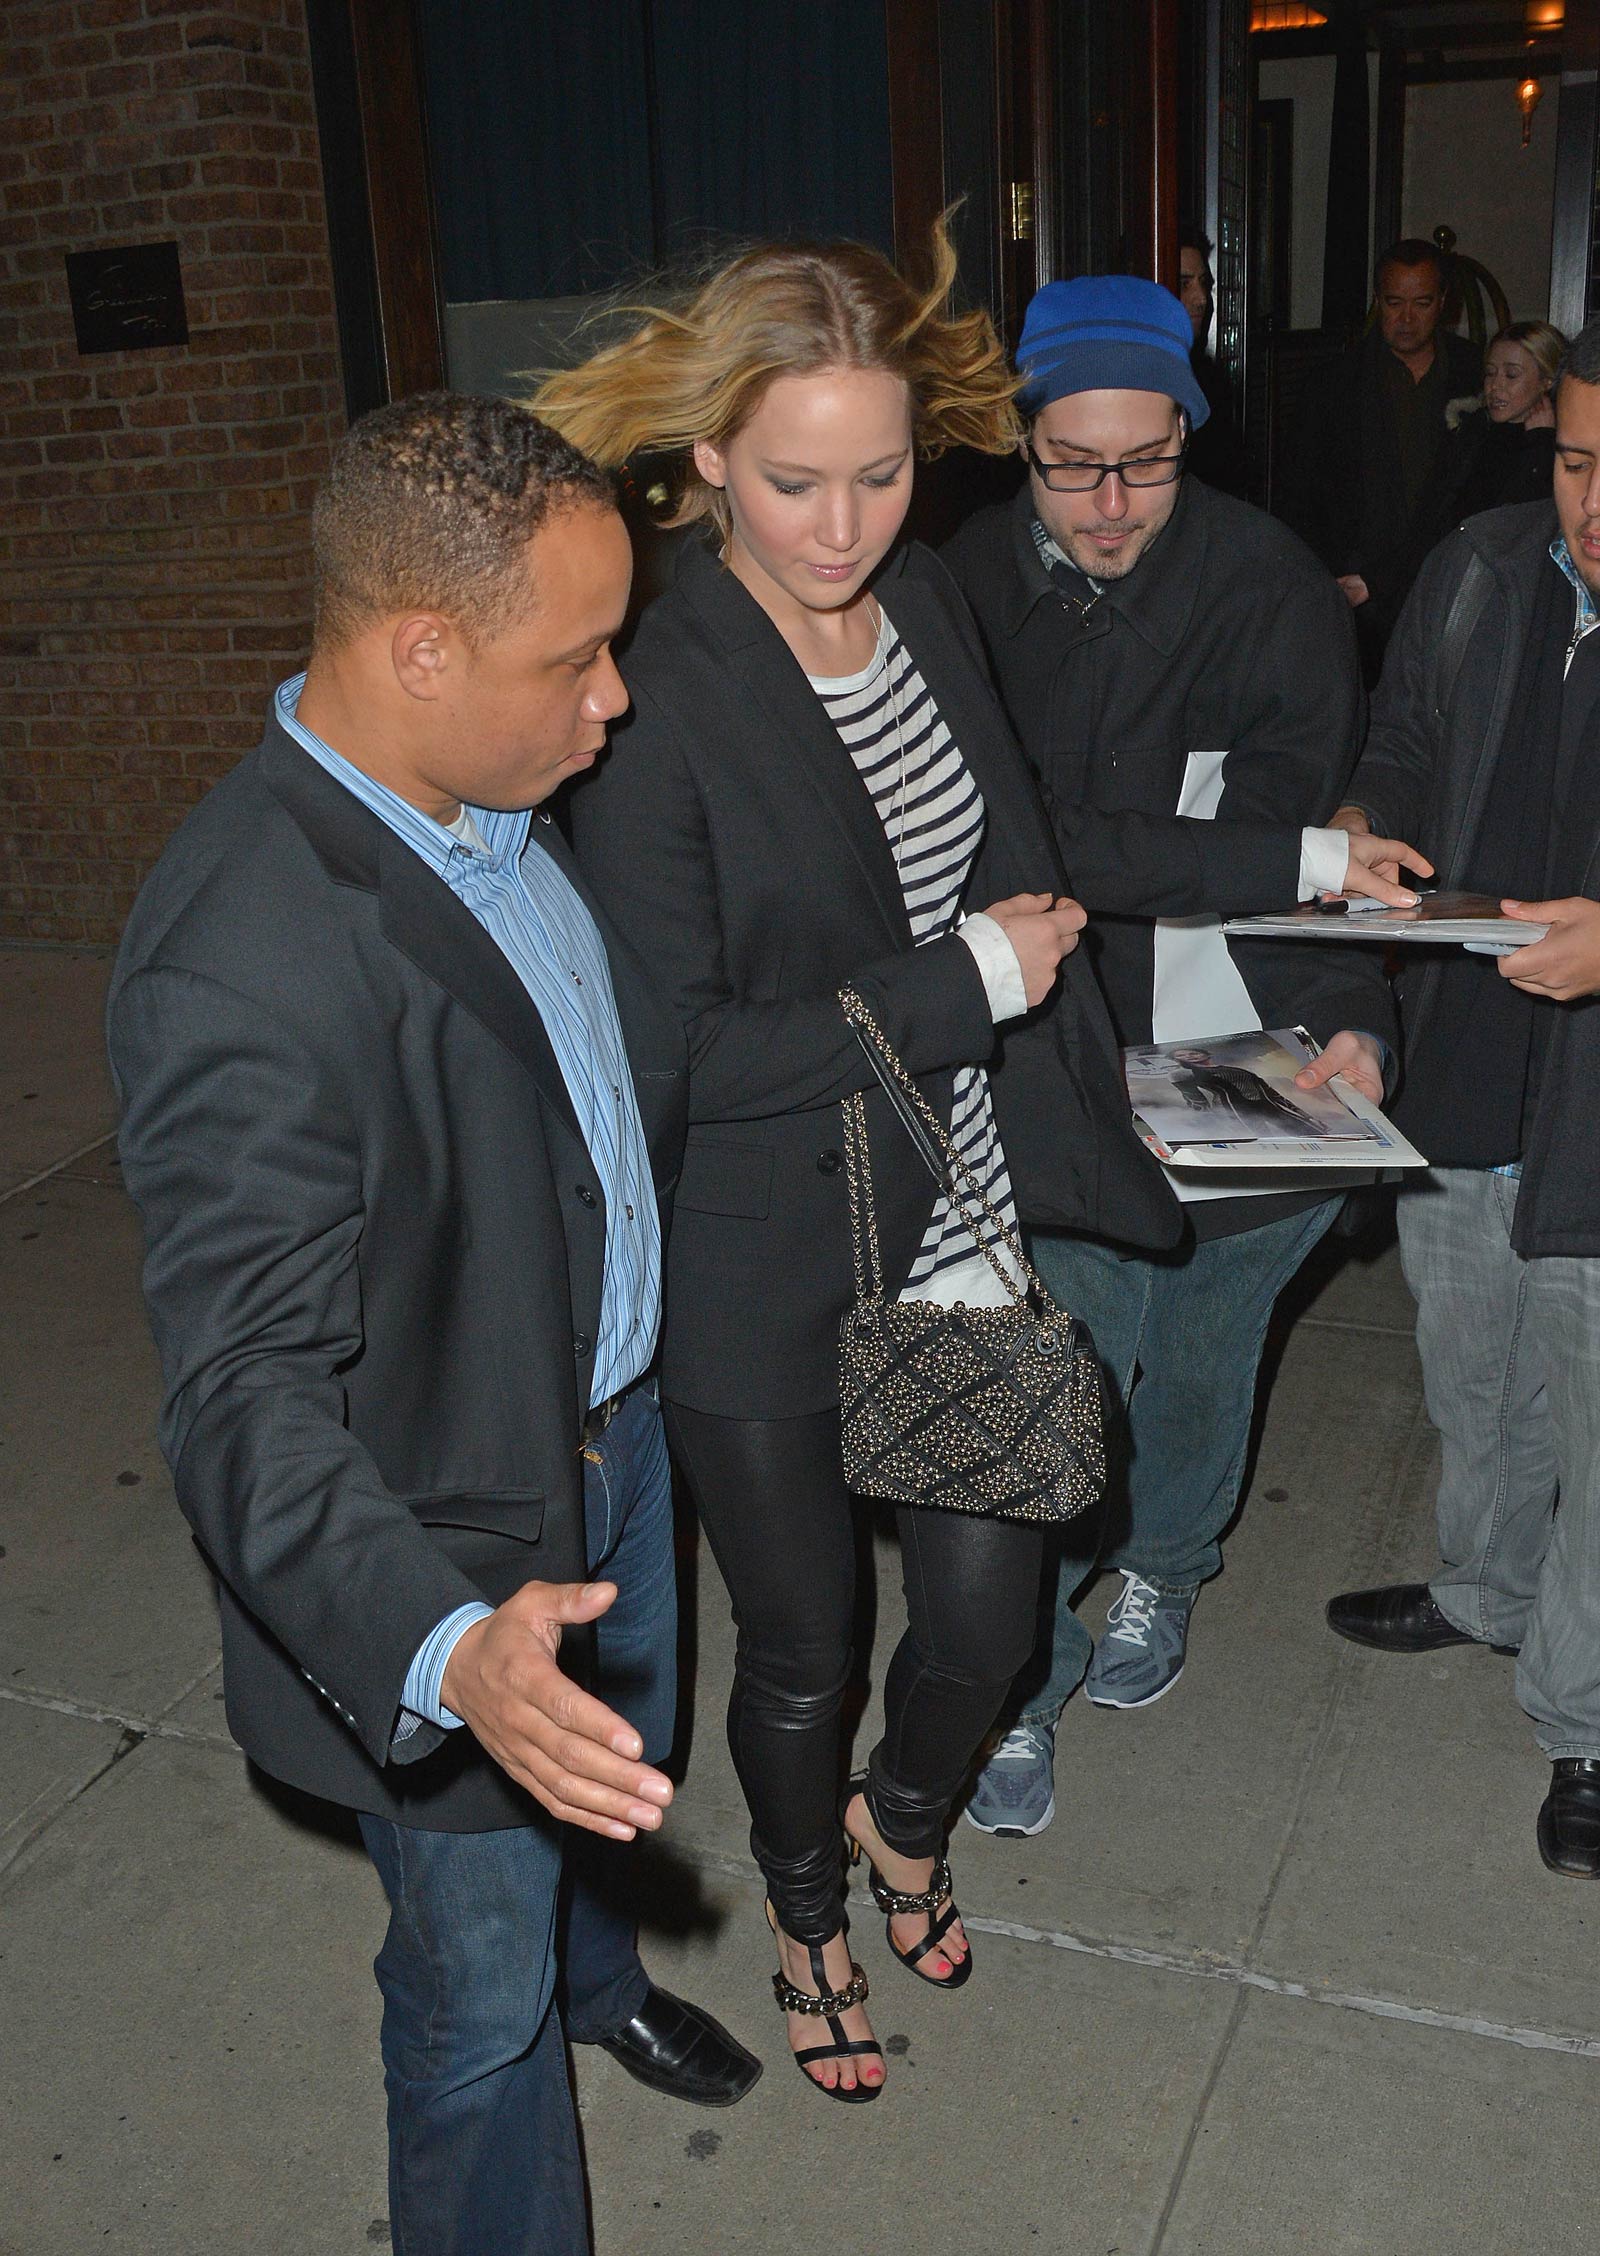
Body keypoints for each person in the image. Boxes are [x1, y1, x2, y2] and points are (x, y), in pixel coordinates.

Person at [532, 222, 1186, 2099]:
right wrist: (962, 977)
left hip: (956, 1200)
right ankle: (813, 1911)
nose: (843, 526)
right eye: (797, 479)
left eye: (883, 473)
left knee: (987, 1618)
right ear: (708, 459)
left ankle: (910, 1822)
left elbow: (1033, 843)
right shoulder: (647, 676)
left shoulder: (932, 603)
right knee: (806, 1644)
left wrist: (1295, 869)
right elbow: (685, 1055)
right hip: (764, 1252)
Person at [107, 393, 760, 2256]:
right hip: (459, 1560)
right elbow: (238, 1393)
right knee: (468, 2016)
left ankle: (600, 1976)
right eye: (577, 658)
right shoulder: (242, 953)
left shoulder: (489, 800)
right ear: (419, 649)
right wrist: (450, 1648)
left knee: (611, 1801)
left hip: (612, 1447)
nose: (615, 698)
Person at [942, 274, 1401, 1833]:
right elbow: (1008, 845)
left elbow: (1326, 829)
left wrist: (1361, 1007)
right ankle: (1021, 1685)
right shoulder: (957, 592)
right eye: (1076, 462)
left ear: (1190, 437)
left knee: (1206, 1353)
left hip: (1245, 1031)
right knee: (1066, 1372)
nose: (1112, 500)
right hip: (1052, 1047)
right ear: (1023, 440)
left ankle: (1168, 1572)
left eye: (1148, 460)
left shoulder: (1267, 584)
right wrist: (1248, 850)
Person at [1324, 317, 1600, 1882]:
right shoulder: (1487, 566)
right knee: (1472, 1368)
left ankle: (1586, 1719)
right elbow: (1409, 740)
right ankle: (1489, 1590)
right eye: (1573, 460)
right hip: (1465, 1059)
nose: (1591, 503)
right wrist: (1368, 821)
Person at [1281, 237, 1482, 680]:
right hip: (1357, 596)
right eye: (1394, 303)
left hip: (1449, 587)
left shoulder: (1478, 375)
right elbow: (1300, 493)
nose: (1407, 318)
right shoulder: (1333, 384)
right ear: (1377, 301)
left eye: (1422, 303)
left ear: (1444, 304)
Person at [1433, 320, 1565, 527]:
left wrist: (1540, 444)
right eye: (1490, 373)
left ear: (1546, 380)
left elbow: (1531, 524)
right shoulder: (1473, 431)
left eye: (1511, 375)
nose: (1495, 385)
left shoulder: (1564, 445)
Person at [1177, 223, 1249, 496]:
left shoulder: (1210, 380)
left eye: (1204, 283)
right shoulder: (1120, 375)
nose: (1201, 299)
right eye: (1184, 284)